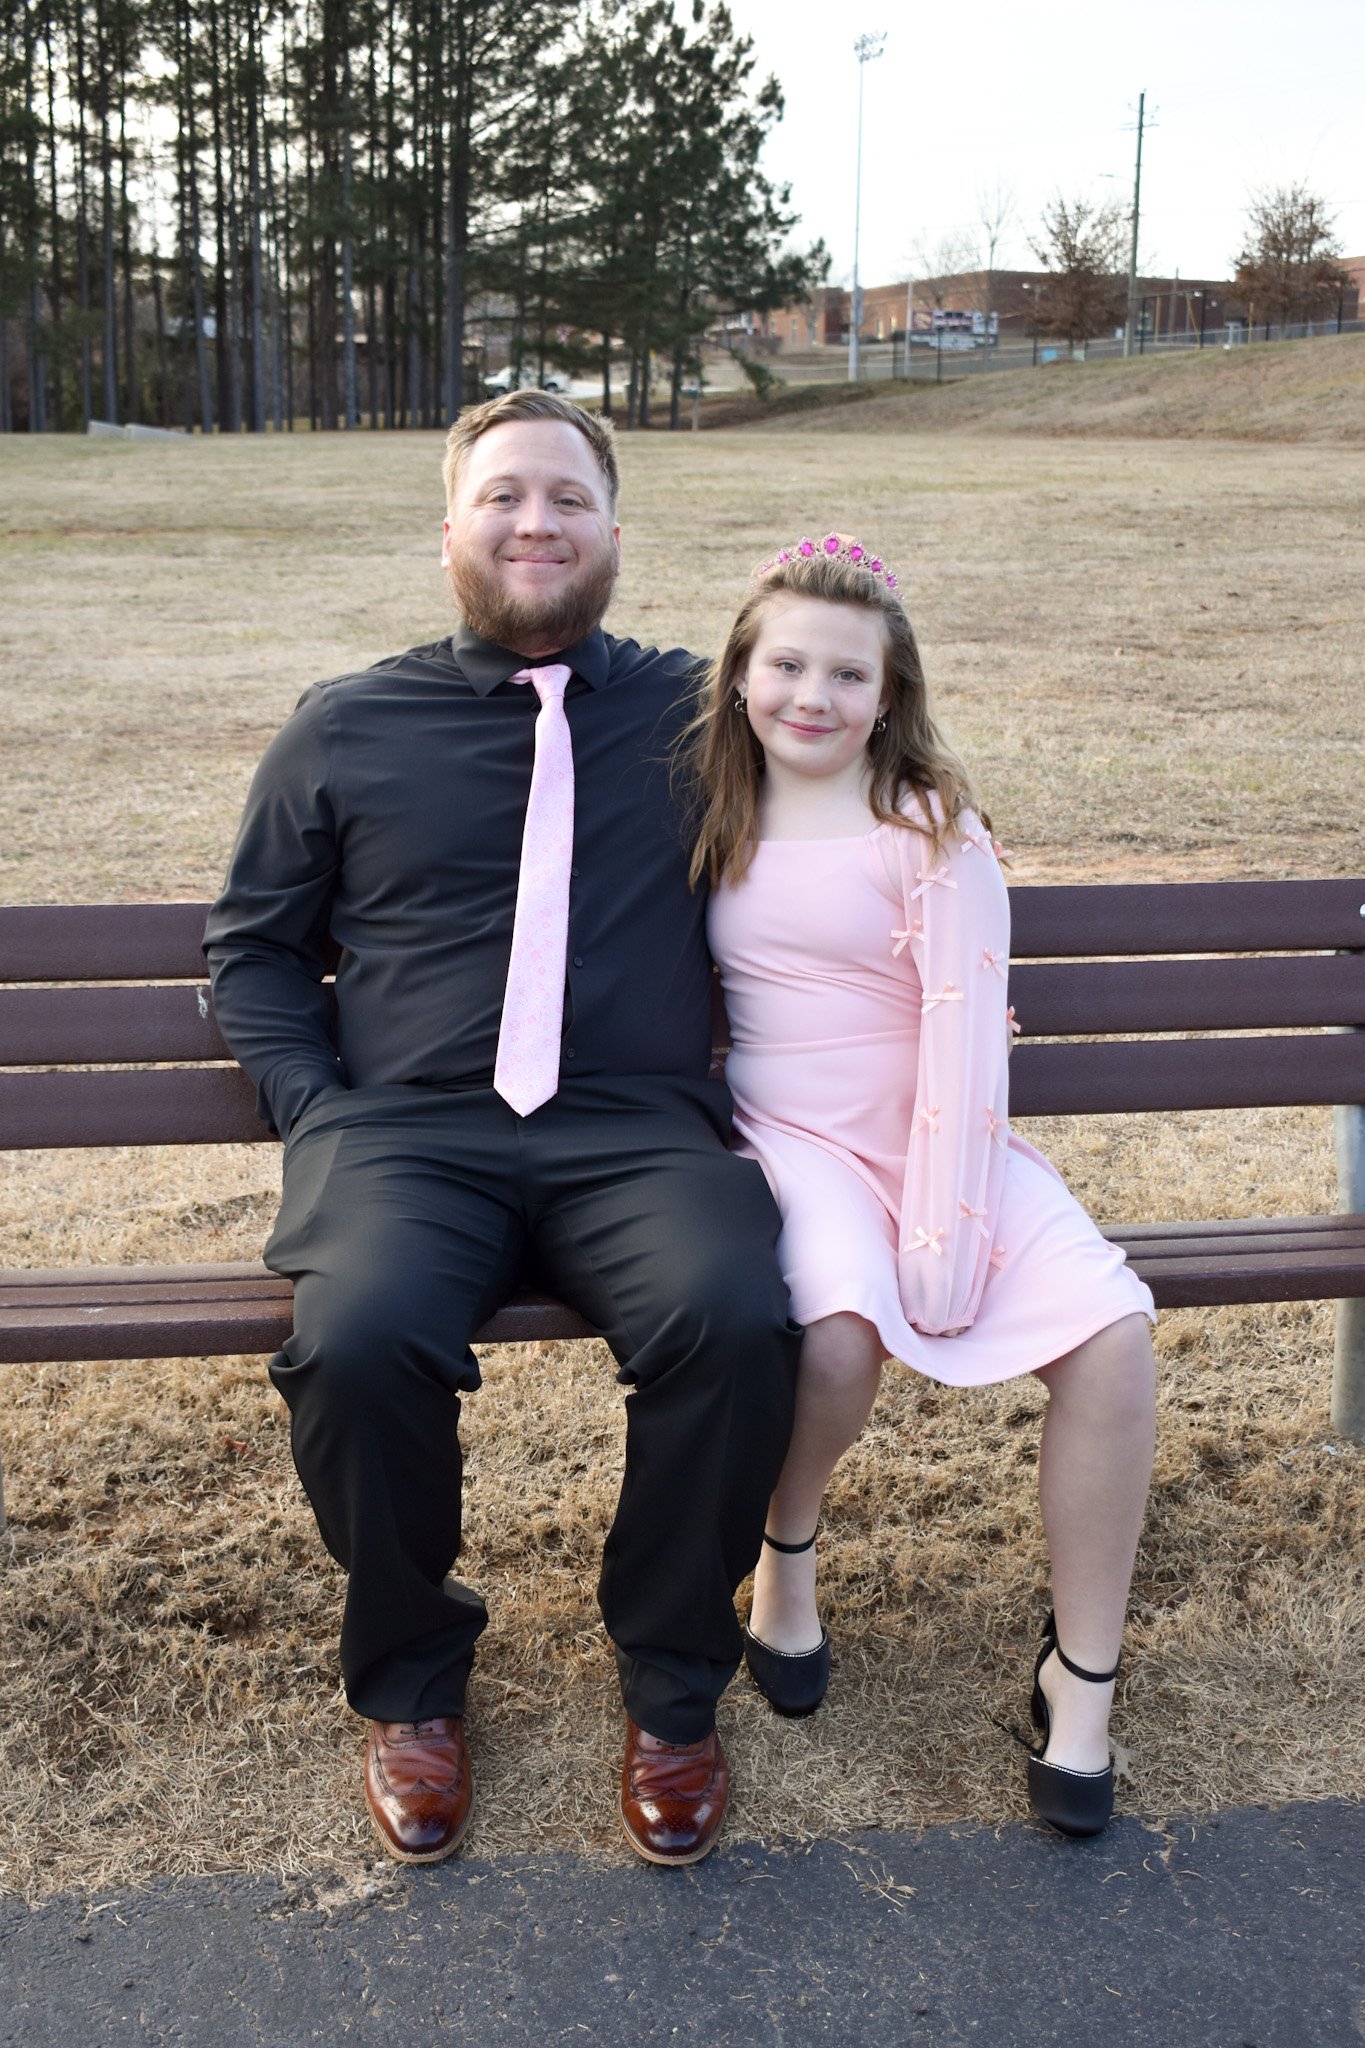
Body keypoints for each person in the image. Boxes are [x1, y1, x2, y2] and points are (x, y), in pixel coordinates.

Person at [203, 391, 801, 1869]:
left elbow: (875, 786)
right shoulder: (345, 724)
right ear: (452, 527)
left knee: (734, 1315)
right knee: (355, 1342)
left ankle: (671, 1687)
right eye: (503, 497)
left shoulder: (705, 716)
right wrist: (317, 1109)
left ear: (612, 531)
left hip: (633, 1132)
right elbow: (256, 952)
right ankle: (412, 1683)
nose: (535, 522)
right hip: (406, 1134)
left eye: (567, 499)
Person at [686, 533, 1157, 1837]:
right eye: (785, 664)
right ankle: (785, 1557)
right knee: (836, 1344)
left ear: (888, 695)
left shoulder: (930, 830)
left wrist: (944, 1227)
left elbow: (961, 1029)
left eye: (848, 675)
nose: (811, 697)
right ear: (739, 674)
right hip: (793, 1138)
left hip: (947, 1132)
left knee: (1113, 1338)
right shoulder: (707, 806)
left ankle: (1082, 1679)